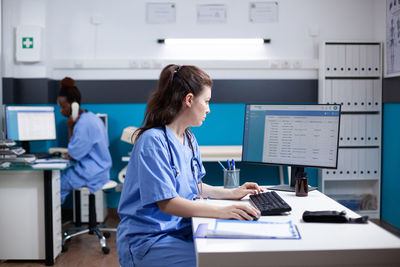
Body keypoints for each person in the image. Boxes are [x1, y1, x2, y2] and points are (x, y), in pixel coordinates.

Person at [117, 64, 263, 267]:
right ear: (189, 100)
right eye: (207, 101)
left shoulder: (188, 138)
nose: (209, 109)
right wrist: (223, 211)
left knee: (237, 247)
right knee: (221, 260)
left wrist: (231, 193)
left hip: (179, 229)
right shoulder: (153, 141)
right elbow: (167, 203)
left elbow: (193, 185)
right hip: (149, 239)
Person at [57, 77, 112, 204]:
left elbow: (73, 154)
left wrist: (70, 127)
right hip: (100, 170)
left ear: (74, 105)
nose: (61, 110)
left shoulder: (83, 124)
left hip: (92, 173)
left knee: (54, 185)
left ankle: (50, 222)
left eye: (63, 107)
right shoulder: (92, 118)